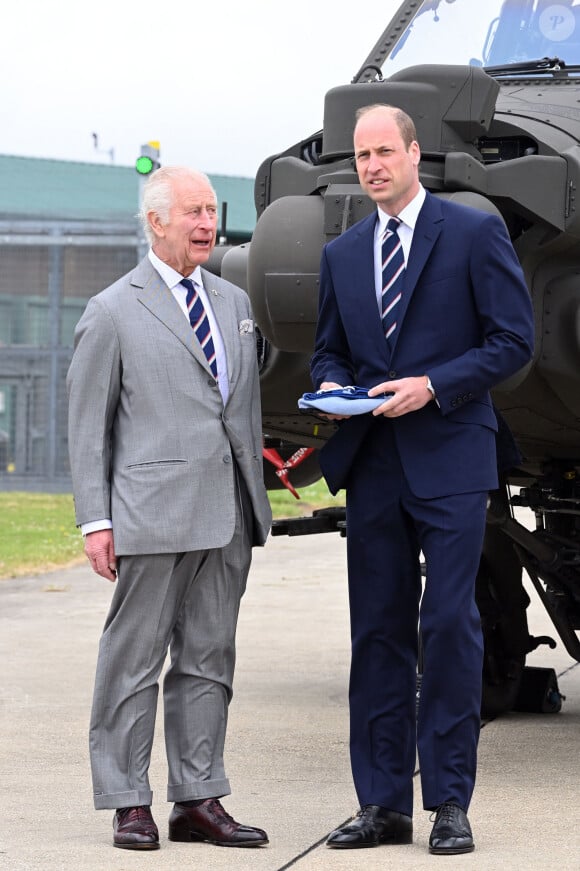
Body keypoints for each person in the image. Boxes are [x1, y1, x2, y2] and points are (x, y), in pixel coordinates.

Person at [310, 105, 534, 855]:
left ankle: (448, 802)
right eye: (361, 154)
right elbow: (328, 354)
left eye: (384, 151)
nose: (372, 165)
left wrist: (434, 384)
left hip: (451, 455)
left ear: (413, 153)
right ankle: (381, 805)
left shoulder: (472, 233)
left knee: (447, 625)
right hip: (373, 463)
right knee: (376, 634)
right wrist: (335, 387)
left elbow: (512, 341)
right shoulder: (341, 254)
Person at [66, 166, 272, 852]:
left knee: (209, 659)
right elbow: (87, 424)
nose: (207, 222)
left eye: (211, 210)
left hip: (229, 514)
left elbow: (240, 408)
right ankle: (127, 799)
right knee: (133, 661)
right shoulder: (112, 309)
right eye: (192, 211)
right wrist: (96, 519)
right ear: (156, 221)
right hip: (149, 515)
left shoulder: (235, 302)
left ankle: (199, 796)